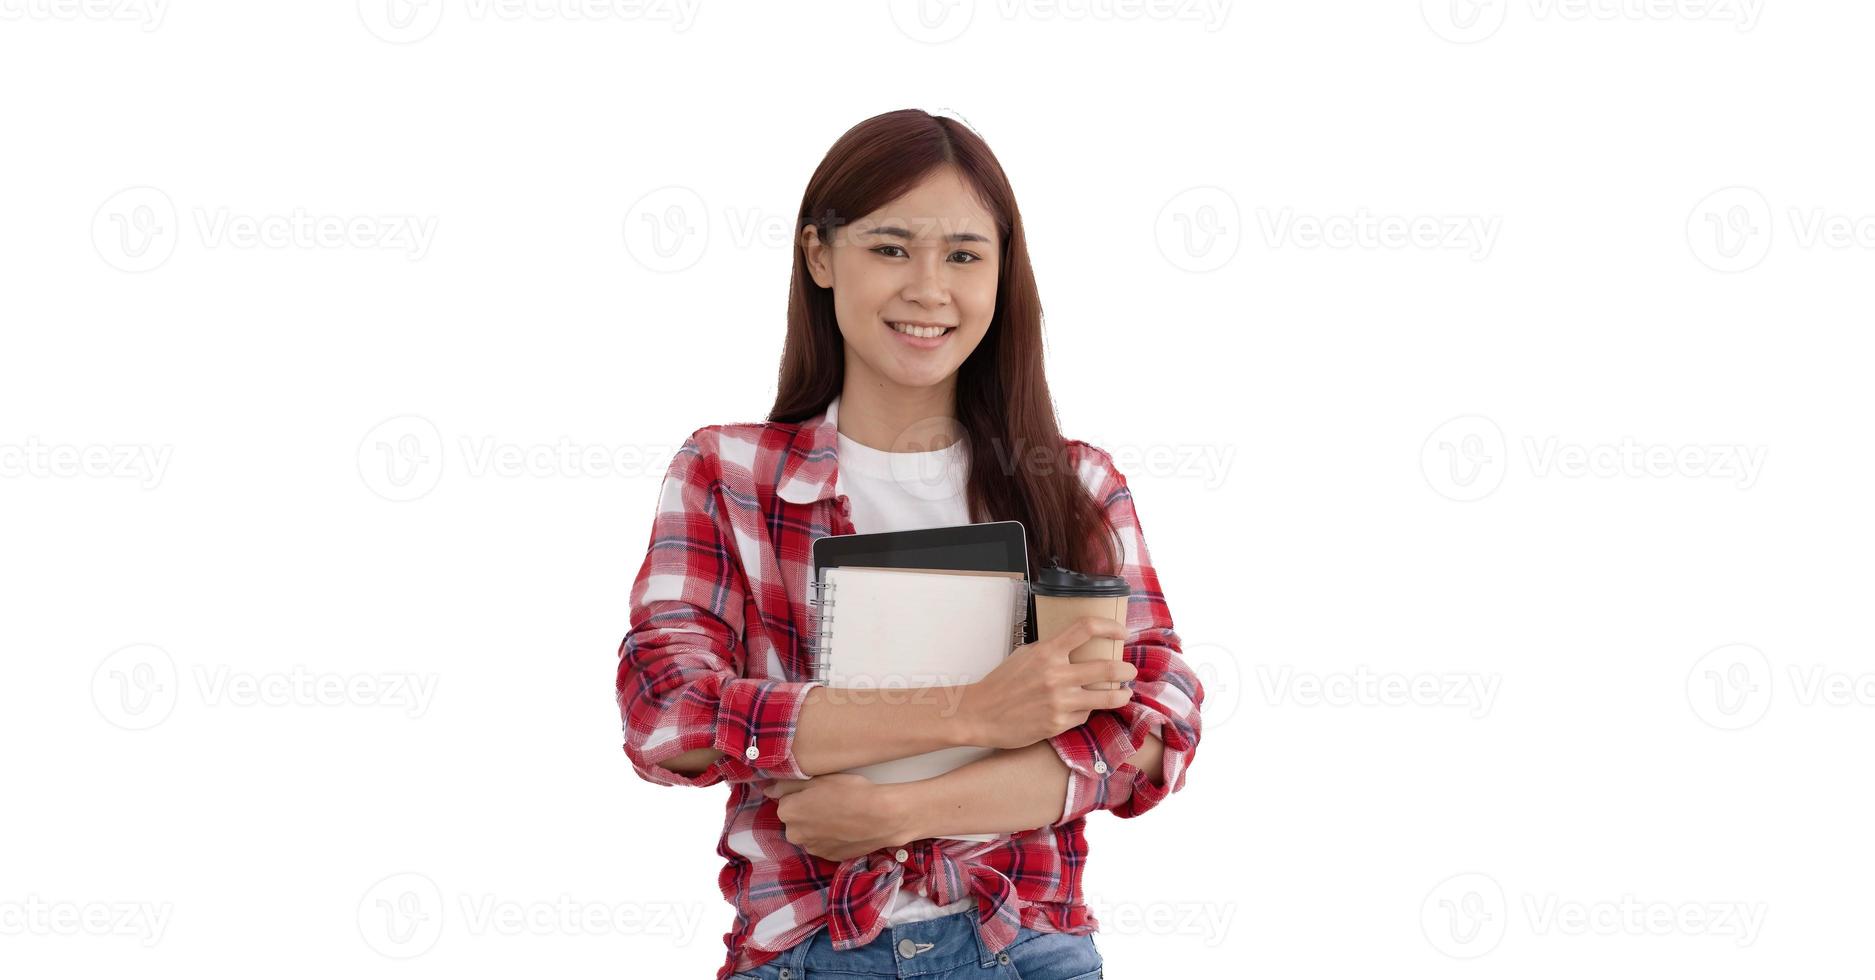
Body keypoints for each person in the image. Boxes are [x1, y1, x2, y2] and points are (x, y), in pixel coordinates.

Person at [615, 108, 1203, 980]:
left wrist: (901, 811)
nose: (929, 289)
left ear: (1003, 274)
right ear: (820, 255)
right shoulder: (727, 474)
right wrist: (974, 713)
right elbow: (665, 713)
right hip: (808, 954)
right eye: (890, 248)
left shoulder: (1073, 484)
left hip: (1027, 947)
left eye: (964, 255)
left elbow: (1156, 727)